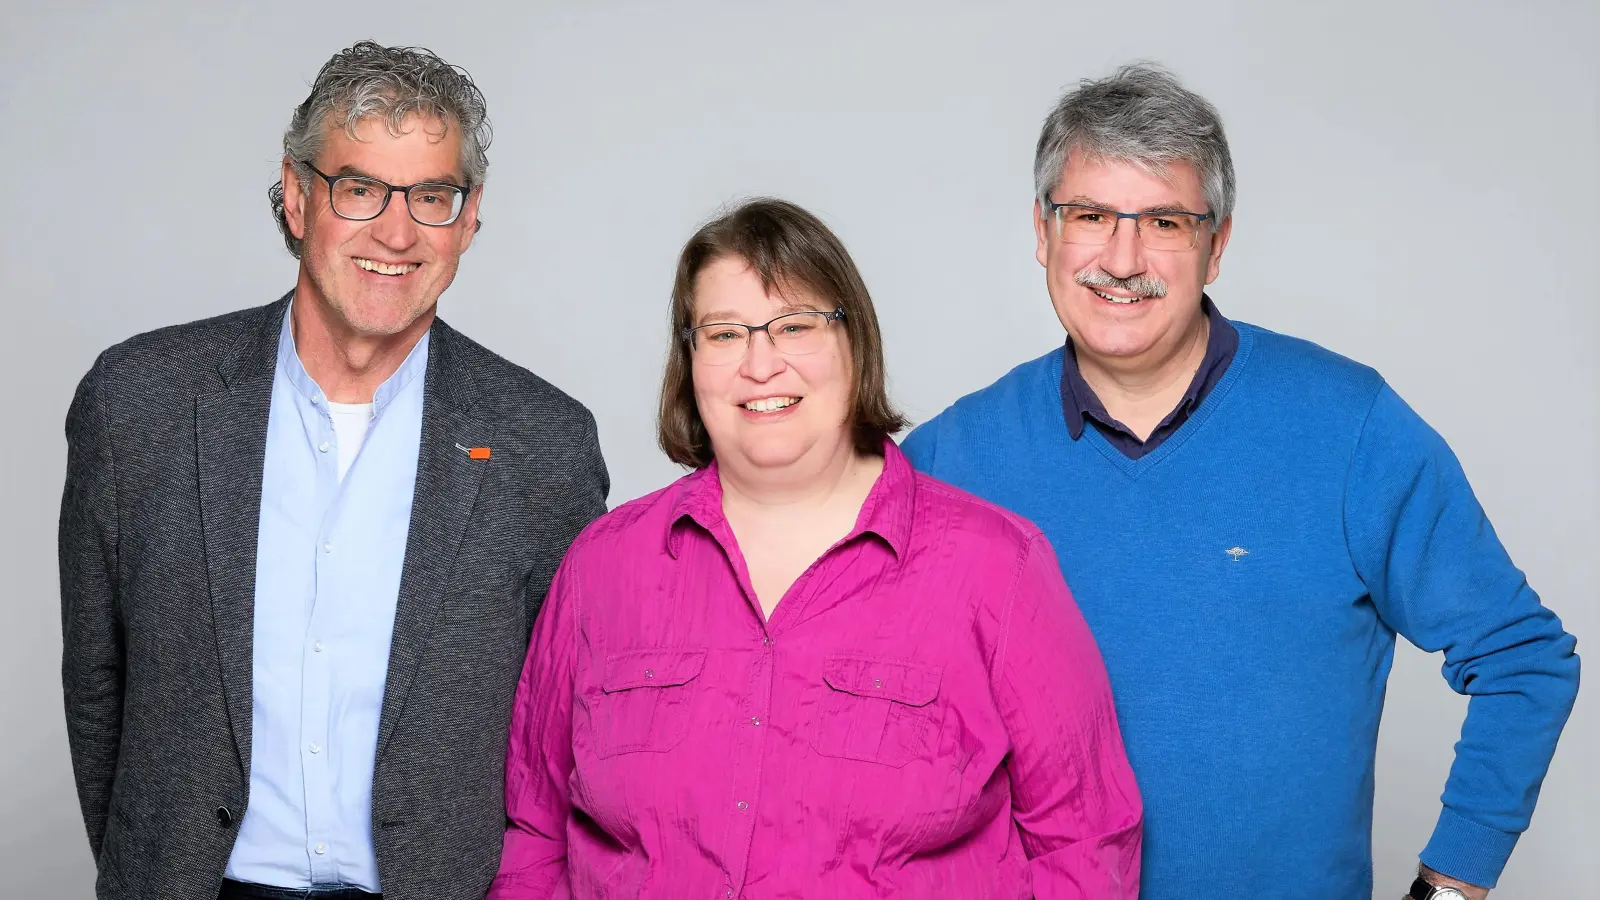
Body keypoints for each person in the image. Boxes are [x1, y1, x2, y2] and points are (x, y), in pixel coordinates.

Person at [900, 62, 1581, 900]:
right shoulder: (948, 461)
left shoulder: (1348, 427)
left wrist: (1452, 886)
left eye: (1165, 222)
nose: (1123, 258)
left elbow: (1524, 658)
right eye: (1089, 217)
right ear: (1043, 234)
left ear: (1216, 245)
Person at [58, 41, 609, 900]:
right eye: (361, 189)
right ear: (296, 196)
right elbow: (98, 686)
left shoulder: (544, 443)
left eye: (432, 197)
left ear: (469, 220)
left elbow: (562, 733)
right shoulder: (139, 405)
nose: (397, 232)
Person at [487, 198, 1142, 898]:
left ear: (853, 344)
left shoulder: (995, 568)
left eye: (796, 326)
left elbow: (1085, 842)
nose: (760, 364)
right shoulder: (602, 569)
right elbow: (536, 835)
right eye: (725, 333)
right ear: (690, 362)